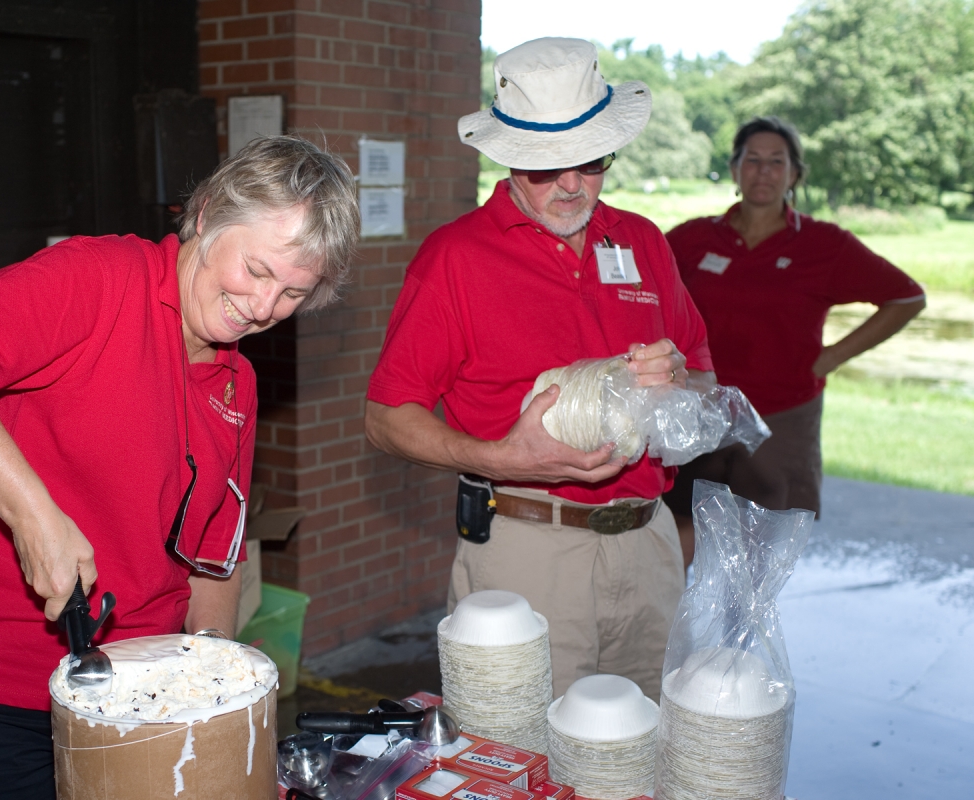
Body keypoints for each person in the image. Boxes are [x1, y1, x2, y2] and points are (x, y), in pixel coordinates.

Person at [0, 135, 360, 800]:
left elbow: (213, 557)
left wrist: (214, 686)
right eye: (256, 269)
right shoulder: (99, 278)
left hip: (136, 696)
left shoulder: (235, 384)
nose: (262, 306)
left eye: (293, 293)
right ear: (210, 211)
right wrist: (35, 517)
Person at [364, 38, 715, 702]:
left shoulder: (642, 241)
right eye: (544, 167)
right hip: (528, 545)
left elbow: (701, 376)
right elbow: (385, 418)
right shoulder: (454, 258)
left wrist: (680, 383)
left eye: (590, 160)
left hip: (650, 543)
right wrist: (500, 455)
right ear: (507, 157)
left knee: (650, 743)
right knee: (522, 752)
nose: (572, 185)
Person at [663, 116, 925, 548]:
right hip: (701, 412)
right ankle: (671, 616)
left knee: (761, 549)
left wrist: (834, 355)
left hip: (782, 414)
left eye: (776, 161)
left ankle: (740, 620)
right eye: (753, 160)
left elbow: (907, 298)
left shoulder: (825, 245)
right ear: (734, 169)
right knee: (678, 538)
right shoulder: (694, 239)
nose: (763, 171)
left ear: (795, 174)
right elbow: (645, 294)